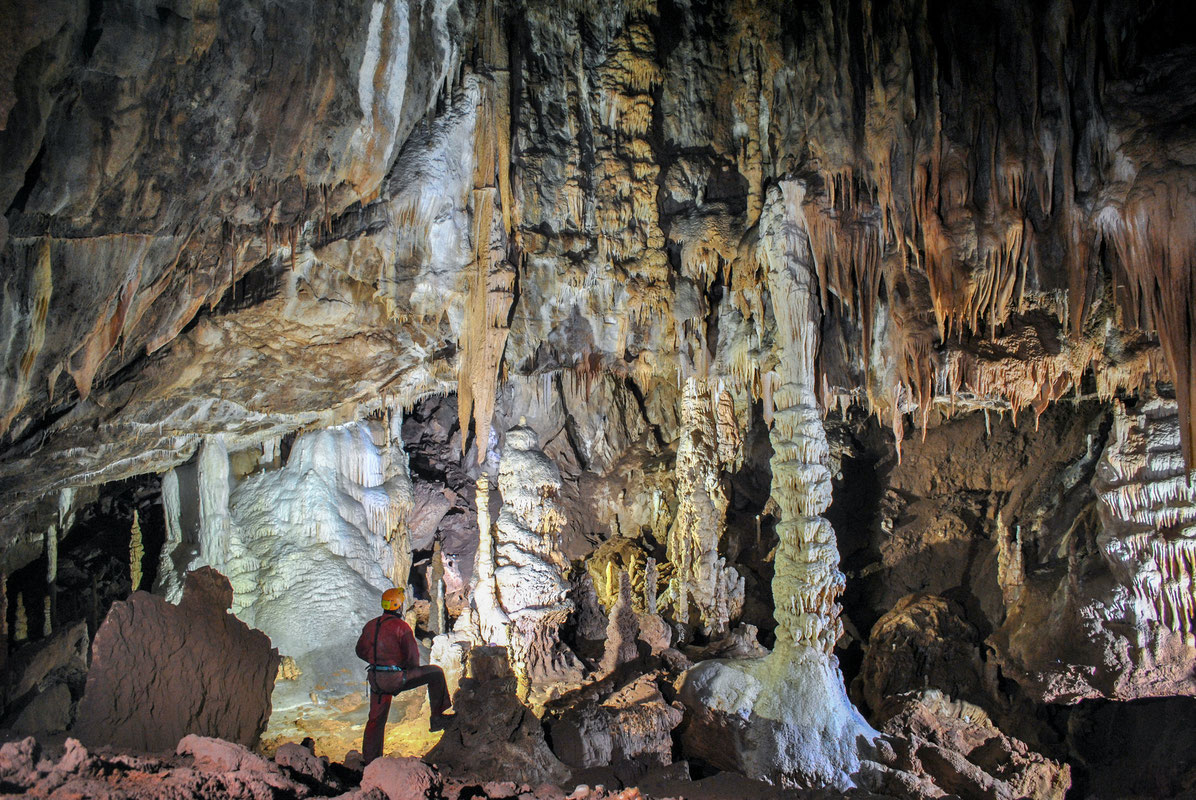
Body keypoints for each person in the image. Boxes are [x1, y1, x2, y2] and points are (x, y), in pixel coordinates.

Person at [355, 586, 452, 763]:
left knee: (375, 719)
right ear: (398, 606)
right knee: (436, 673)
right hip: (396, 678)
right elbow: (412, 659)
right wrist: (401, 668)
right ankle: (436, 718)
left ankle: (370, 761)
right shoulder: (401, 627)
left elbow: (360, 651)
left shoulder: (371, 625)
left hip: (376, 679)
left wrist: (377, 660)